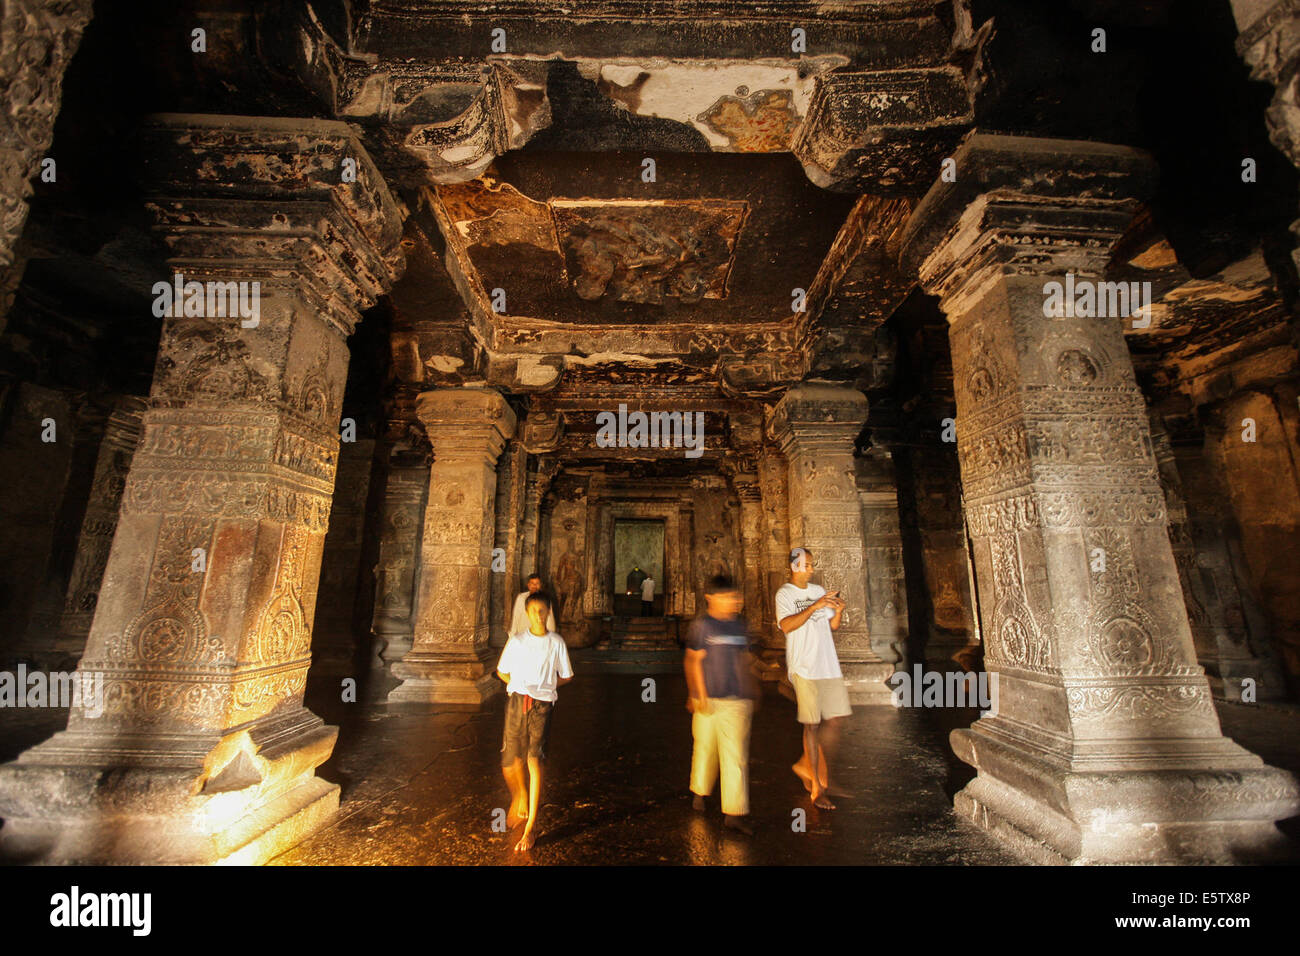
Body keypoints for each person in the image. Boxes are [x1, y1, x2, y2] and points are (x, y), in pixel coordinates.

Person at [496, 592, 573, 852]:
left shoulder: (556, 642)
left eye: (543, 611)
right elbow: (501, 671)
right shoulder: (517, 641)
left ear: (549, 612)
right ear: (526, 613)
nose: (538, 615)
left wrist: (546, 688)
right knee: (509, 762)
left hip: (541, 705)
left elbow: (566, 675)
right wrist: (518, 685)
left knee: (533, 760)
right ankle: (519, 794)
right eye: (533, 611)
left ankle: (531, 825)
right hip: (518, 700)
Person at [775, 547, 850, 810]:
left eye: (811, 564)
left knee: (837, 720)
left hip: (827, 664)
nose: (810, 568)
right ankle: (818, 788)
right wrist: (815, 606)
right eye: (806, 564)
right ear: (793, 566)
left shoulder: (818, 591)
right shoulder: (784, 594)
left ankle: (810, 768)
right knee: (812, 724)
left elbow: (832, 625)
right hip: (804, 666)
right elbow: (786, 626)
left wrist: (837, 610)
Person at [684, 574, 758, 835]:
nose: (733, 602)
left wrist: (750, 687)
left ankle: (734, 812)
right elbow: (692, 660)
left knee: (735, 756)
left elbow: (744, 658)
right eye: (727, 597)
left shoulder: (740, 626)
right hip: (709, 698)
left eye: (735, 597)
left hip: (735, 699)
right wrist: (697, 693)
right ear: (711, 598)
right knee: (705, 749)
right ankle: (700, 791)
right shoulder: (703, 626)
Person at [509, 573, 556, 637]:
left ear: (540, 585)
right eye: (532, 583)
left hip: (539, 635)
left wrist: (551, 637)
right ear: (528, 585)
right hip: (523, 634)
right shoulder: (521, 598)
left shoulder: (545, 600)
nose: (534, 586)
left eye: (537, 583)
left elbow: (550, 620)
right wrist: (512, 635)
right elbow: (515, 617)